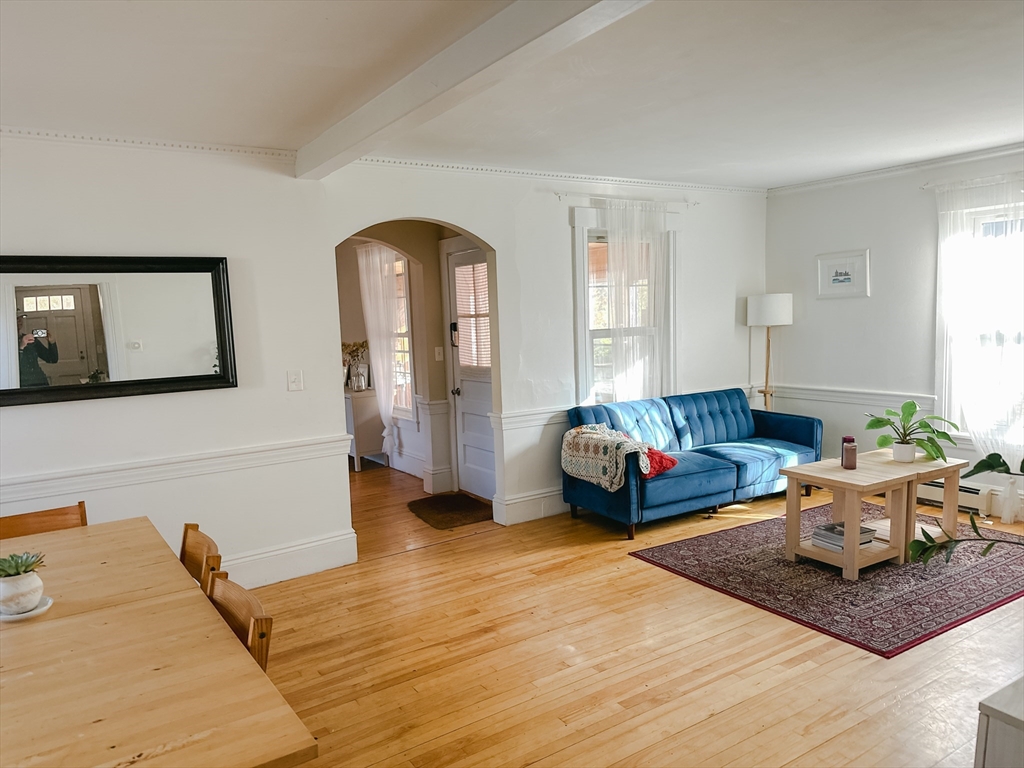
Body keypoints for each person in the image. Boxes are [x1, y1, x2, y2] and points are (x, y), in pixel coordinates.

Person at [18, 316, 58, 387]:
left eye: (21, 318)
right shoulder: (5, 342)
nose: (19, 321)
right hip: (22, 385)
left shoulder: (30, 339)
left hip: (40, 382)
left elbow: (52, 359)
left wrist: (52, 342)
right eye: (16, 318)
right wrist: (21, 348)